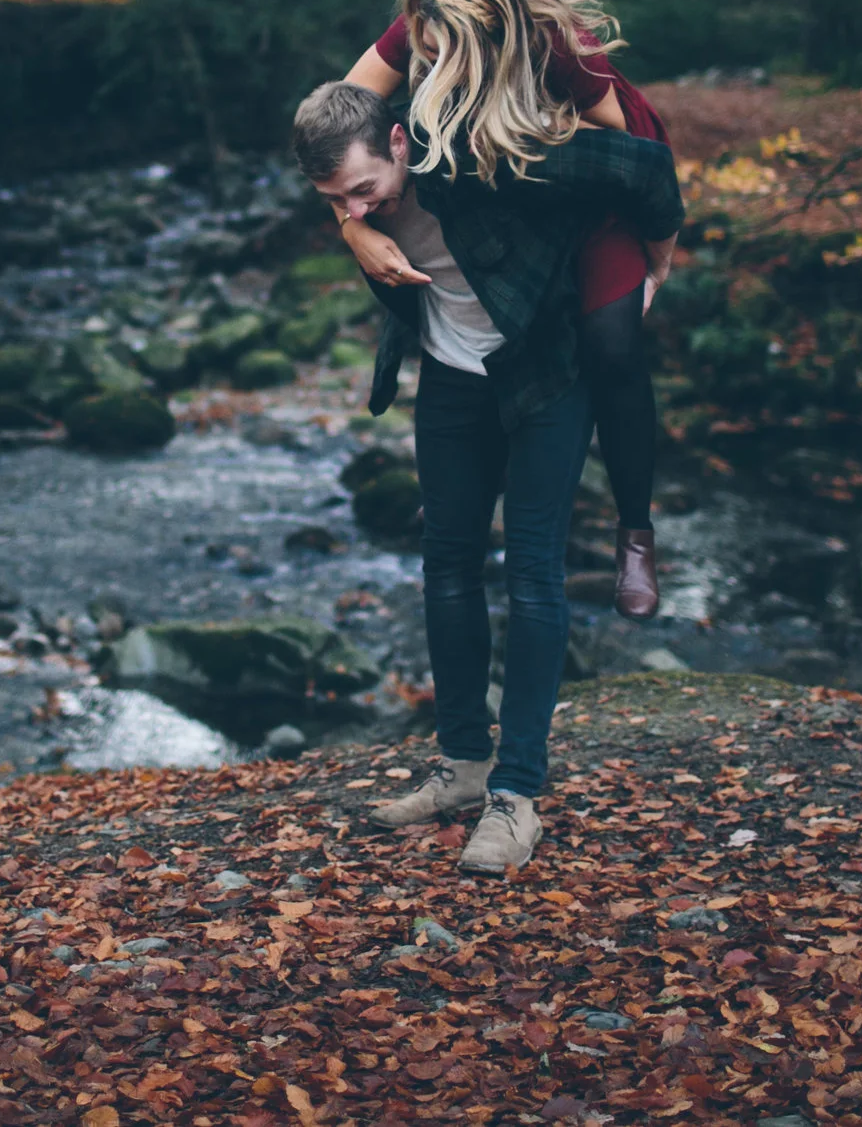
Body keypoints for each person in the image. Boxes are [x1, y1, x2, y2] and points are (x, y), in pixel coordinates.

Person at [291, 79, 683, 873]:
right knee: (447, 564)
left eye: (363, 191)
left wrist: (653, 271)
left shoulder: (490, 153)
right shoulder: (354, 195)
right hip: (449, 374)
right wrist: (350, 221)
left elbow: (644, 168)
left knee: (533, 571)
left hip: (546, 370)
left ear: (401, 142)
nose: (356, 211)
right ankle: (464, 766)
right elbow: (353, 197)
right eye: (336, 201)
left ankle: (516, 797)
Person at [334, 0, 675, 618]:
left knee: (610, 341)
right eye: (421, 54)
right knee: (472, 300)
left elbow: (629, 163)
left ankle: (636, 533)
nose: (424, 67)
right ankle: (467, 481)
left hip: (579, 180)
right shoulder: (420, 27)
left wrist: (655, 261)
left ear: (491, 43)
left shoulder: (555, 46)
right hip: (490, 175)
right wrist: (354, 229)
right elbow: (339, 125)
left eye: (440, 58)